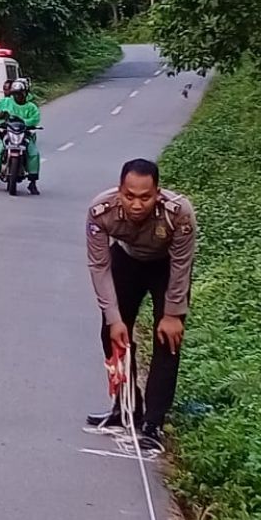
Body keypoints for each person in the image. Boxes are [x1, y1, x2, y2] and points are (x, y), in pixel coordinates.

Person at [85, 158, 197, 451]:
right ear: (119, 191)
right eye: (129, 196)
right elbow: (99, 265)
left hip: (167, 267)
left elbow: (182, 265)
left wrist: (173, 313)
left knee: (168, 340)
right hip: (127, 260)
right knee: (111, 335)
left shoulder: (179, 213)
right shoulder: (101, 211)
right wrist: (114, 318)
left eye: (145, 197)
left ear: (158, 193)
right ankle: (127, 409)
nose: (137, 204)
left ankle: (153, 423)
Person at [0, 77, 42, 194]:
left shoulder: (31, 106)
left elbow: (35, 119)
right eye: (15, 94)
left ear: (25, 93)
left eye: (20, 93)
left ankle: (32, 182)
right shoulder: (6, 102)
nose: (18, 96)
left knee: (33, 153)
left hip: (24, 134)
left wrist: (24, 122)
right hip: (7, 132)